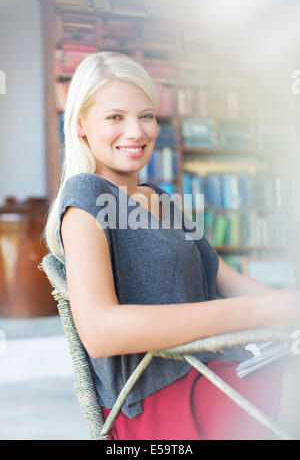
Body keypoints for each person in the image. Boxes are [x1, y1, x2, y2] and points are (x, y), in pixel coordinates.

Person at [44, 51, 300, 440]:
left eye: (146, 116)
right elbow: (100, 331)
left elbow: (222, 277)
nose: (137, 132)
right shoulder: (84, 197)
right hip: (162, 399)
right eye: (115, 117)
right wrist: (258, 311)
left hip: (220, 369)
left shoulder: (161, 199)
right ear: (80, 124)